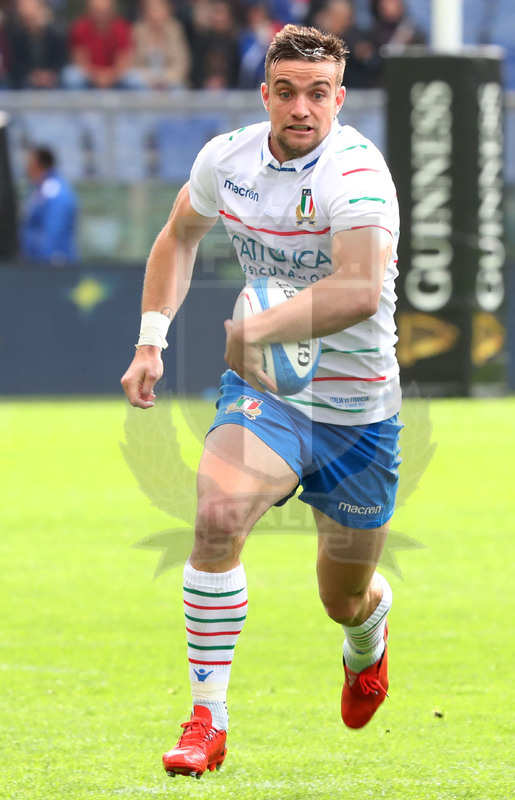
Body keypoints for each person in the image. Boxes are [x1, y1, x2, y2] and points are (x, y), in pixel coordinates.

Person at [121, 23, 401, 779]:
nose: (300, 108)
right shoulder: (228, 159)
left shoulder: (356, 173)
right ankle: (207, 718)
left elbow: (356, 288)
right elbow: (178, 236)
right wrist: (152, 339)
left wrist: (254, 329)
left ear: (338, 98)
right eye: (286, 91)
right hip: (270, 394)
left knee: (341, 598)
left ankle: (366, 642)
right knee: (215, 517)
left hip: (356, 410)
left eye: (317, 93)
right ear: (265, 94)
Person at [19, 145, 79, 264]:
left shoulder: (53, 191)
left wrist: (46, 262)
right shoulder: (38, 190)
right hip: (34, 263)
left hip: (51, 266)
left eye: (30, 164)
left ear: (39, 165)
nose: (26, 169)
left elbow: (54, 231)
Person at [62, 0, 141, 89]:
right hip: (89, 76)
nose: (100, 16)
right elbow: (80, 59)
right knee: (71, 77)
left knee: (134, 80)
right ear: (89, 11)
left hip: (116, 76)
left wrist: (109, 77)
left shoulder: (122, 27)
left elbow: (124, 59)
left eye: (104, 12)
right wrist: (97, 77)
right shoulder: (79, 27)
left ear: (112, 10)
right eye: (97, 11)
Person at [5, 0, 68, 89]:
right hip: (26, 77)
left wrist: (50, 74)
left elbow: (62, 59)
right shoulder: (14, 34)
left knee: (70, 76)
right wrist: (33, 76)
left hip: (52, 75)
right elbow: (15, 64)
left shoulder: (55, 32)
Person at [131, 0, 191, 90]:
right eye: (153, 10)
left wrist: (164, 79)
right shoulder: (138, 30)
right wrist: (150, 79)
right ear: (146, 13)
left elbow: (181, 63)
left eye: (159, 10)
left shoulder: (175, 30)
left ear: (167, 11)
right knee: (131, 81)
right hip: (145, 79)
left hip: (170, 79)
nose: (156, 15)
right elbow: (133, 62)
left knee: (179, 89)